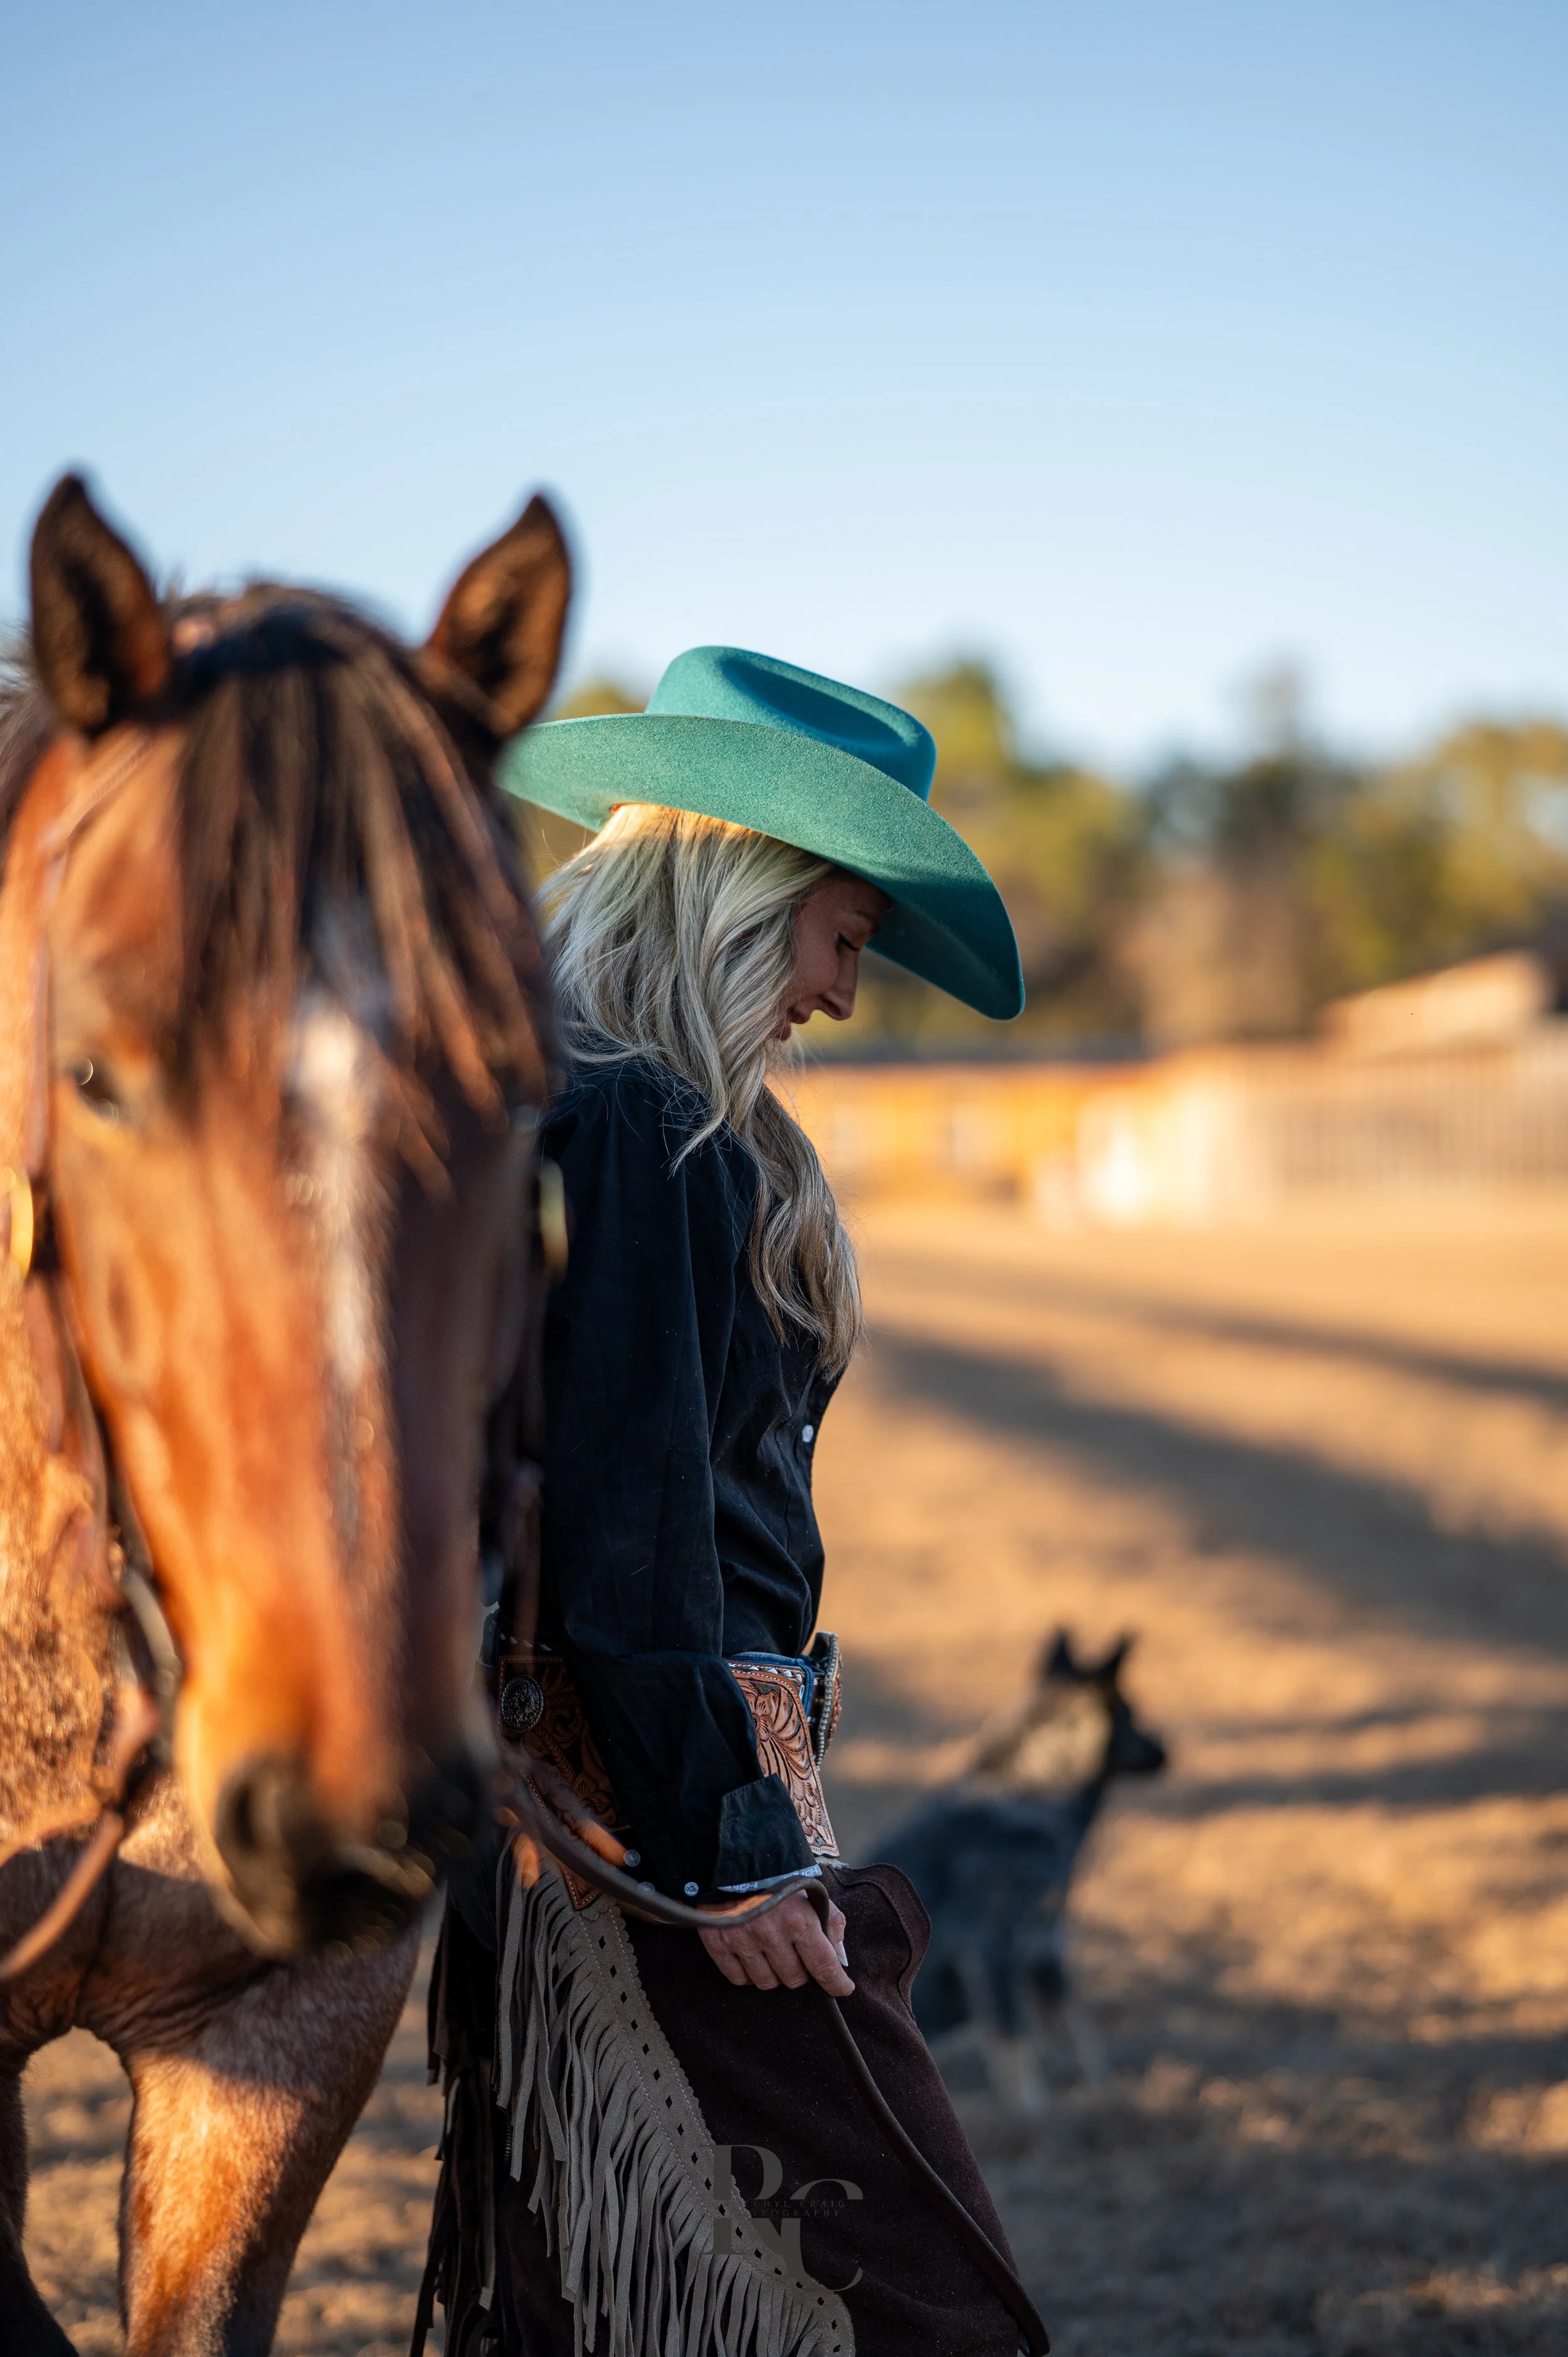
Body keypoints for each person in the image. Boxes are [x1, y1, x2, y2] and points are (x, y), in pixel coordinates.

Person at [421, 647, 1028, 2357]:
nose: (843, 991)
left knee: (592, 2291)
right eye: (842, 934)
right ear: (743, 891)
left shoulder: (637, 1115)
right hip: (654, 1811)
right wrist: (740, 1856)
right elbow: (629, 1539)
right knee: (927, 2297)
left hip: (660, 1784)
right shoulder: (628, 1120)